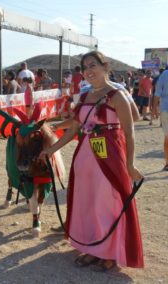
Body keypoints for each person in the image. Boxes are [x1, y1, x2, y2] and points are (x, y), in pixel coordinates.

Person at [40, 51, 144, 271]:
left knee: (108, 203)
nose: (89, 70)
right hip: (85, 156)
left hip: (109, 157)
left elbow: (130, 131)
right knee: (86, 203)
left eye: (93, 65)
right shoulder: (86, 96)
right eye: (85, 67)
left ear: (105, 67)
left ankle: (109, 253)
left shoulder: (117, 95)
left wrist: (131, 164)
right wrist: (51, 149)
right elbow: (74, 130)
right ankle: (91, 248)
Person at [153, 68, 168, 170]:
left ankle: (167, 163)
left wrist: (154, 108)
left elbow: (157, 92)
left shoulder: (164, 74)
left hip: (165, 109)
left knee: (167, 136)